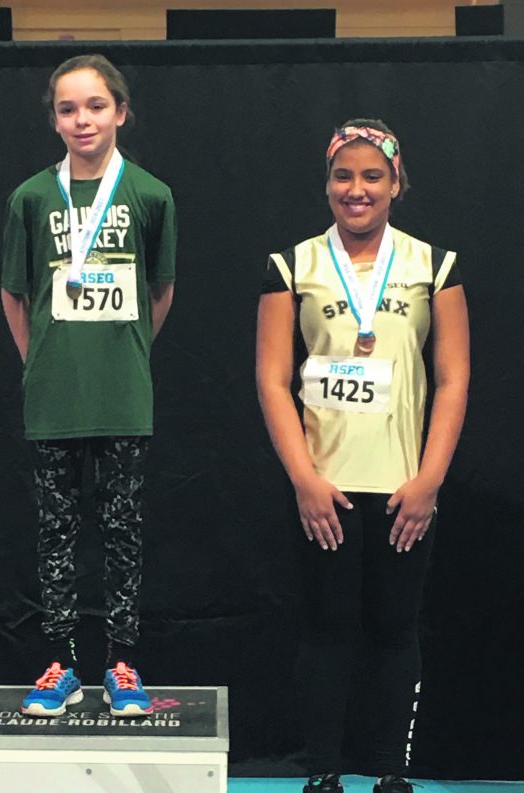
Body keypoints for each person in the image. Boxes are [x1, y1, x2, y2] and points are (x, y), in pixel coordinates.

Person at [256, 120, 469, 793]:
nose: (357, 189)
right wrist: (303, 479)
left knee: (393, 627)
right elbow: (271, 379)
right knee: (325, 628)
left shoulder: (434, 265)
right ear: (326, 184)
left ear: (396, 183)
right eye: (343, 176)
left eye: (372, 175)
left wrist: (430, 478)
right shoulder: (292, 265)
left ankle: (389, 771)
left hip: (405, 486)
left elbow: (453, 377)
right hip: (327, 488)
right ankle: (323, 770)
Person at [1, 54, 176, 719]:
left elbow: (160, 292)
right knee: (56, 534)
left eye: (96, 106)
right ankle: (62, 660)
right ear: (54, 119)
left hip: (124, 394)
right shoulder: (31, 198)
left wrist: (123, 352)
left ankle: (122, 660)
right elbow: (15, 295)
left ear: (121, 112)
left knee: (124, 531)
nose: (83, 119)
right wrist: (41, 360)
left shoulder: (151, 195)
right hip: (52, 397)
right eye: (69, 108)